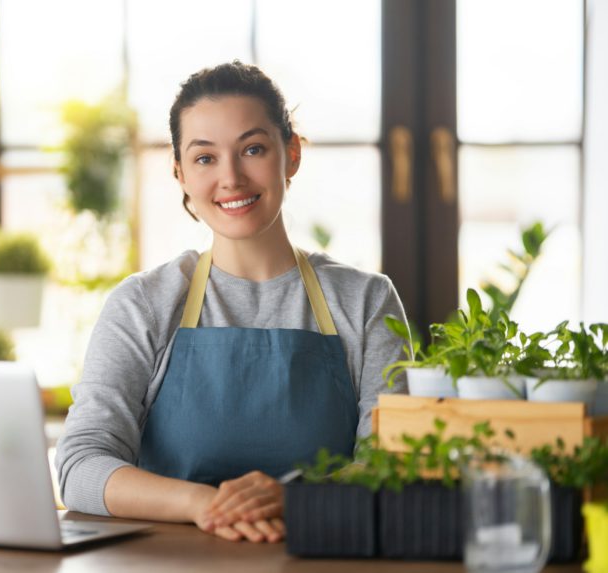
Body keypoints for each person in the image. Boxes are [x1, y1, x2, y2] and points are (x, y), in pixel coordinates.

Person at [55, 61, 407, 543]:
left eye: (253, 149)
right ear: (179, 173)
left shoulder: (365, 301)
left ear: (292, 154)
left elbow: (393, 463)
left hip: (321, 558)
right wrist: (204, 504)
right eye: (205, 158)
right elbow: (80, 466)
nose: (232, 178)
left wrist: (297, 499)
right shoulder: (143, 304)